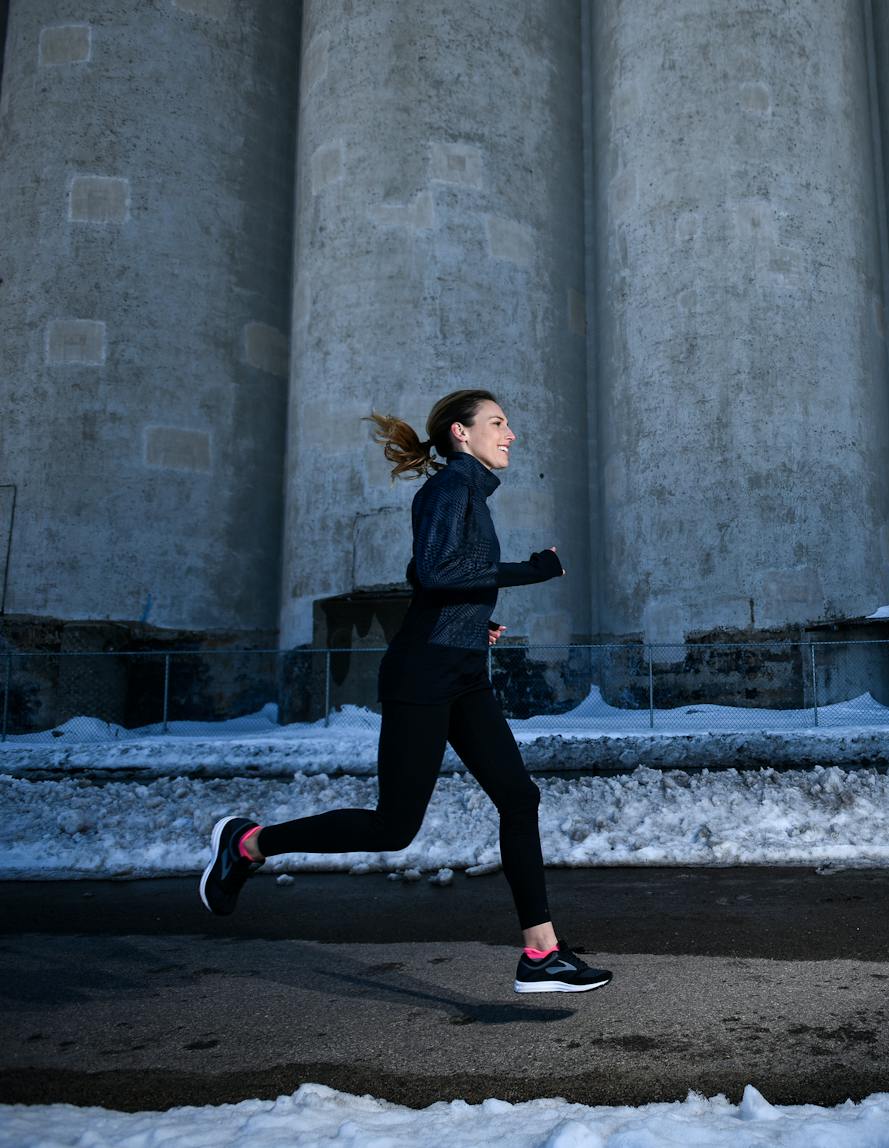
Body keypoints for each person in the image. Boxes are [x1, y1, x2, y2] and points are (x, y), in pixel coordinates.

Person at [199, 389, 610, 995]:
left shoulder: (468, 494)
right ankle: (249, 843)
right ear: (459, 435)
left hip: (461, 669)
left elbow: (426, 575)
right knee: (393, 827)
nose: (512, 433)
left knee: (519, 799)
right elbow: (438, 572)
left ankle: (541, 953)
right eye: (498, 423)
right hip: (424, 674)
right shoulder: (449, 489)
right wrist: (530, 571)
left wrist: (476, 621)